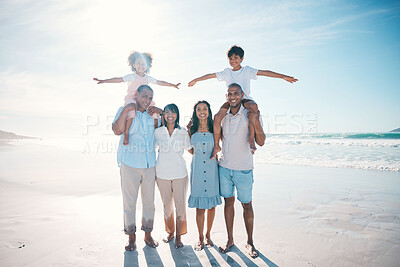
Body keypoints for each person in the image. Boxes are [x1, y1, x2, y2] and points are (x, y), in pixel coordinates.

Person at [188, 45, 297, 157]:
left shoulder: (247, 71)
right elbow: (210, 75)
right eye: (230, 58)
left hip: (244, 99)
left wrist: (283, 76)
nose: (233, 60)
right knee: (217, 117)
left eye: (236, 57)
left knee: (254, 108)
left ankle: (251, 140)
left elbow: (265, 72)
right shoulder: (227, 72)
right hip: (231, 100)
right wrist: (196, 80)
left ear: (242, 58)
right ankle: (217, 145)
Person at [217, 83, 266, 258]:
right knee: (228, 203)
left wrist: (255, 122)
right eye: (229, 94)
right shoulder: (223, 116)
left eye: (236, 93)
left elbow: (261, 141)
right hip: (224, 168)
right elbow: (217, 133)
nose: (233, 96)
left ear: (242, 94)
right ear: (226, 96)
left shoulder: (250, 113)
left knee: (247, 205)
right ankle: (230, 239)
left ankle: (250, 242)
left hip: (244, 169)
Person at [112, 85, 163, 251]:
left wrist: (161, 112)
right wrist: (126, 109)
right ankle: (131, 237)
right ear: (137, 94)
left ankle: (148, 234)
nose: (147, 100)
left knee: (149, 203)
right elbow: (117, 130)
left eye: (150, 97)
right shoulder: (126, 109)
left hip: (149, 165)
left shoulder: (153, 114)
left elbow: (169, 128)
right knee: (129, 204)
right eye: (144, 96)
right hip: (130, 164)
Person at [94, 50, 180, 145]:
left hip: (145, 101)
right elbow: (118, 79)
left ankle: (155, 133)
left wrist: (172, 85)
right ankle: (126, 132)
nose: (141, 65)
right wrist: (103, 81)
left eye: (143, 63)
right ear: (133, 65)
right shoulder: (132, 77)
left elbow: (160, 82)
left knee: (154, 112)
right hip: (132, 99)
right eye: (138, 63)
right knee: (131, 112)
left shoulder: (148, 78)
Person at [154, 104, 192, 249]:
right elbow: (150, 148)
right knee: (166, 206)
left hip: (180, 174)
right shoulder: (157, 132)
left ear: (177, 115)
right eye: (167, 112)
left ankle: (179, 236)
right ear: (163, 115)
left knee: (180, 206)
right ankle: (170, 232)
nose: (170, 115)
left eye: (173, 112)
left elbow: (190, 149)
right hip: (161, 174)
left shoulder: (182, 132)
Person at [187, 101, 222, 251]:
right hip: (197, 171)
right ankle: (200, 237)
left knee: (212, 206)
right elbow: (189, 149)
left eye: (205, 109)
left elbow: (221, 145)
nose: (202, 111)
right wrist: (199, 155)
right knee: (200, 208)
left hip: (212, 169)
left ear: (209, 111)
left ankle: (208, 235)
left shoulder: (215, 129)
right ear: (195, 112)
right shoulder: (191, 130)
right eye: (199, 109)